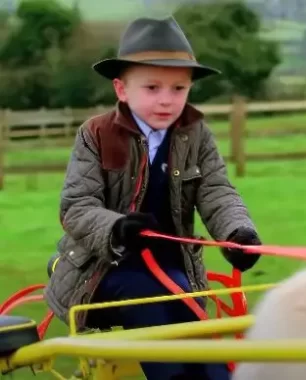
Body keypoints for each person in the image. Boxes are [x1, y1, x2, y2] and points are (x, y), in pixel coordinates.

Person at [43, 15, 262, 379]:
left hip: (172, 269)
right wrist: (117, 228)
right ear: (122, 90)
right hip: (101, 272)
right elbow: (76, 207)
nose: (166, 100)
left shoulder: (197, 136)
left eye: (178, 89)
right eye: (152, 88)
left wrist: (238, 233)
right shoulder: (95, 134)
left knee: (190, 316)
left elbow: (217, 192)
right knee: (151, 299)